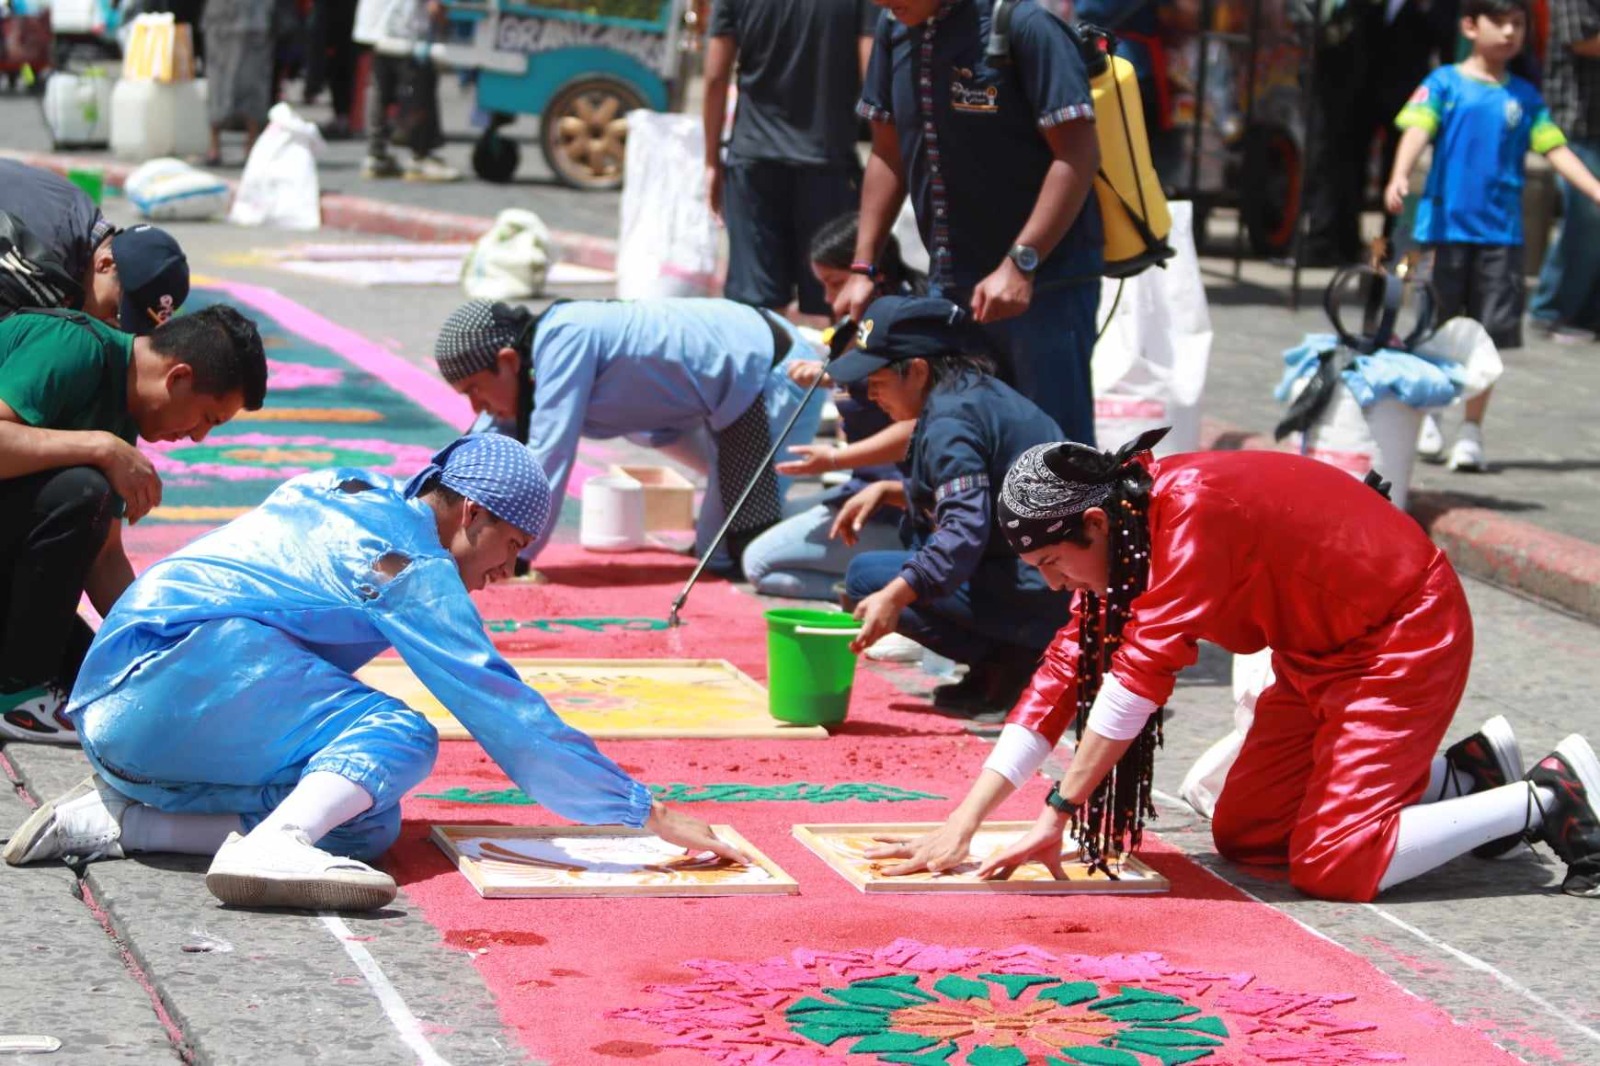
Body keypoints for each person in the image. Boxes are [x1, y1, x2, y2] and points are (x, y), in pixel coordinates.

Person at [2, 435, 750, 911]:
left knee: (364, 822)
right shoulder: (412, 568)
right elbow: (502, 708)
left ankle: (127, 824)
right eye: (512, 546)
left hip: (117, 703)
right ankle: (271, 840)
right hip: (184, 672)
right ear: (473, 515)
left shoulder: (345, 484)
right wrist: (641, 813)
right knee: (400, 732)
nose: (503, 575)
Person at [871, 433, 1600, 902]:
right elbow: (1065, 669)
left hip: (1401, 634)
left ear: (1092, 524)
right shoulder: (1121, 538)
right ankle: (1465, 775)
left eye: (1054, 564)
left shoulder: (1187, 513)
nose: (1055, 585)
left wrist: (1057, 813)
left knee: (1334, 864)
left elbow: (1138, 679)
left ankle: (1543, 797)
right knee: (1249, 834)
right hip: (1317, 654)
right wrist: (967, 819)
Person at [835, 0, 1103, 446]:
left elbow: (1078, 154)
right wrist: (864, 267)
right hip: (952, 285)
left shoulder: (1027, 27)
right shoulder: (893, 26)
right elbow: (888, 151)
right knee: (964, 440)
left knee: (1055, 454)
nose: (882, 3)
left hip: (1046, 287)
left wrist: (1022, 263)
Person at [0, 305, 268, 743]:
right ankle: (17, 700)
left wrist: (168, 652)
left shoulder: (120, 411)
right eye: (208, 418)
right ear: (178, 377)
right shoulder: (72, 347)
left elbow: (102, 557)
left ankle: (28, 690)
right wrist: (100, 447)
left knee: (112, 683)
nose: (200, 436)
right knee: (85, 491)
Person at [432, 299, 825, 570]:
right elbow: (479, 446)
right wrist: (435, 515)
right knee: (722, 535)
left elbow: (547, 459)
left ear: (507, 361)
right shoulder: (528, 366)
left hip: (768, 375)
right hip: (709, 403)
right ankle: (779, 497)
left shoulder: (563, 341)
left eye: (474, 390)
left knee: (725, 553)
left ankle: (840, 510)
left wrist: (511, 555)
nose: (475, 406)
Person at [830, 295, 1073, 718]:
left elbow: (963, 531)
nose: (869, 393)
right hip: (1052, 579)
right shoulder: (967, 393)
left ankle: (1011, 661)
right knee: (896, 567)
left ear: (918, 369)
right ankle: (1007, 656)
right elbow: (983, 495)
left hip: (1041, 587)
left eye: (878, 379)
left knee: (867, 580)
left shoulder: (950, 420)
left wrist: (895, 595)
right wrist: (890, 492)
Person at [1384, 0, 1600, 471]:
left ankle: (1472, 431)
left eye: (1517, 23)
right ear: (1469, 25)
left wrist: (1594, 189)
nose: (1508, 32)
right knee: (1434, 328)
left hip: (1500, 239)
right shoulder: (1442, 84)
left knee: (1487, 339)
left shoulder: (1525, 98)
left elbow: (1556, 148)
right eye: (1498, 22)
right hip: (1442, 232)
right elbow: (1416, 132)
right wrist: (1400, 174)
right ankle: (1433, 414)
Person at [742, 213, 926, 600]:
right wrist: (827, 376)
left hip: (897, 501)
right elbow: (866, 381)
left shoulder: (907, 333)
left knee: (758, 563)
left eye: (836, 284)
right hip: (862, 488)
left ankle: (884, 593)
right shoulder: (857, 327)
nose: (829, 300)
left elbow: (920, 427)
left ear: (871, 277)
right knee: (760, 525)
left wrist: (833, 460)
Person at [702, 0, 880, 319]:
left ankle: (766, 368)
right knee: (836, 298)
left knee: (757, 307)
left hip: (753, 162)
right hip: (829, 165)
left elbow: (715, 78)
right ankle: (829, 369)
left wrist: (711, 161)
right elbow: (875, 83)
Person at [1300, 0, 1453, 266]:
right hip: (1357, 92)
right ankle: (1340, 242)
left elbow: (1446, 39)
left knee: (1396, 177)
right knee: (1345, 167)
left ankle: (1391, 253)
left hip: (1407, 97)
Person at [0, 160, 189, 332]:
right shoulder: (42, 266)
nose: (114, 329)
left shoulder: (81, 211)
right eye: (117, 314)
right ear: (105, 264)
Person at [1529, 0, 1600, 341]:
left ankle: (1588, 313)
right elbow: (1582, 38)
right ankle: (1553, 309)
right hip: (1578, 119)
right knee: (1588, 214)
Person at [353, 0, 459, 181]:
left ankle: (376, 154)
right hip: (403, 21)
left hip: (377, 19)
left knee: (380, 84)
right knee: (418, 83)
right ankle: (419, 155)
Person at [202, 0, 274, 165]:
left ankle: (251, 144)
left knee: (253, 79)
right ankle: (215, 145)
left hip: (254, 16)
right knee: (217, 80)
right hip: (221, 16)